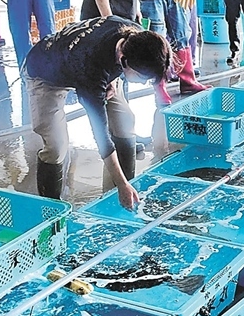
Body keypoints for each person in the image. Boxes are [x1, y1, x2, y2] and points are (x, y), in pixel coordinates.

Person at [23, 17, 171, 208]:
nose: (144, 83)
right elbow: (101, 138)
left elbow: (111, 62)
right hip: (45, 73)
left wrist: (111, 79)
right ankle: (52, 210)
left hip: (88, 64)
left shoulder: (135, 37)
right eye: (143, 78)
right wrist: (122, 184)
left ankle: (117, 198)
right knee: (56, 146)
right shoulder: (90, 67)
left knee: (125, 120)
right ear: (124, 61)